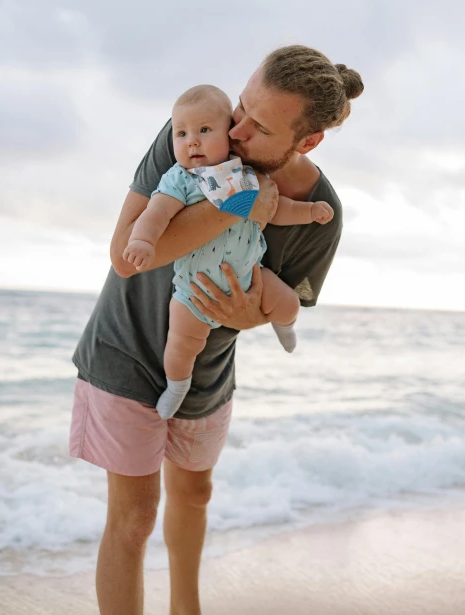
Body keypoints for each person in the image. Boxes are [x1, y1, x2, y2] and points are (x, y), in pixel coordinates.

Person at [70, 44, 364, 615]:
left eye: (259, 126)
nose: (238, 129)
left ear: (307, 142)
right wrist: (239, 204)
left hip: (207, 364)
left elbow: (281, 302)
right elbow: (127, 255)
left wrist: (254, 317)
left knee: (195, 493)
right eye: (242, 107)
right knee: (132, 517)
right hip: (125, 348)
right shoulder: (193, 131)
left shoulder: (321, 210)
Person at [122, 83, 335, 419]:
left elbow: (274, 210)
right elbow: (156, 214)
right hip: (193, 288)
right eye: (181, 134)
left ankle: (284, 326)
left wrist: (308, 212)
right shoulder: (179, 179)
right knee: (180, 347)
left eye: (205, 131)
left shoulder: (246, 173)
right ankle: (176, 386)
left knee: (288, 302)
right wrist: (142, 242)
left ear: (228, 134)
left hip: (250, 274)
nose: (191, 140)